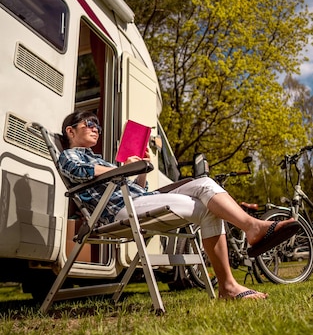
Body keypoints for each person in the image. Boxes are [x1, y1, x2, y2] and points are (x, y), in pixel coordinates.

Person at [59, 110, 298, 301]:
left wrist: (143, 167)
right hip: (120, 211)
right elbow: (79, 171)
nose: (95, 129)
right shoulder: (70, 155)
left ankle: (250, 234)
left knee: (204, 183)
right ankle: (230, 281)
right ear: (70, 130)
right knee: (207, 207)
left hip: (136, 201)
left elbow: (140, 190)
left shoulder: (101, 160)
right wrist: (122, 168)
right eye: (89, 124)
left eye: (97, 126)